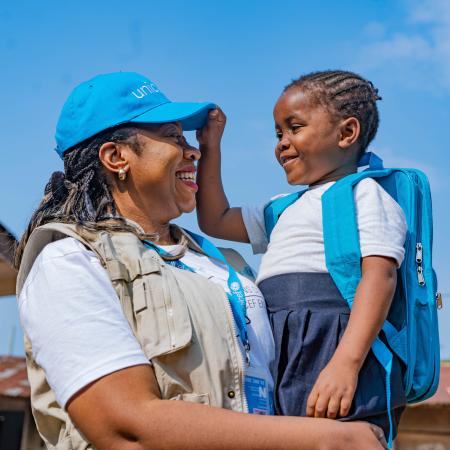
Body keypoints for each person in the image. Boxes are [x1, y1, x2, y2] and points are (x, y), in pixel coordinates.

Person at [15, 71, 386, 450]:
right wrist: (333, 439)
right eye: (174, 137)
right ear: (116, 157)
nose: (194, 150)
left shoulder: (225, 265)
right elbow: (125, 429)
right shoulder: (68, 260)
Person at [196, 70, 407, 439]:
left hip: (332, 345)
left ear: (346, 133)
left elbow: (380, 278)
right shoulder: (282, 208)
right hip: (281, 348)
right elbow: (214, 219)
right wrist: (211, 148)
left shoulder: (366, 194)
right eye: (278, 133)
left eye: (294, 127)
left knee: (339, 438)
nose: (282, 143)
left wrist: (346, 362)